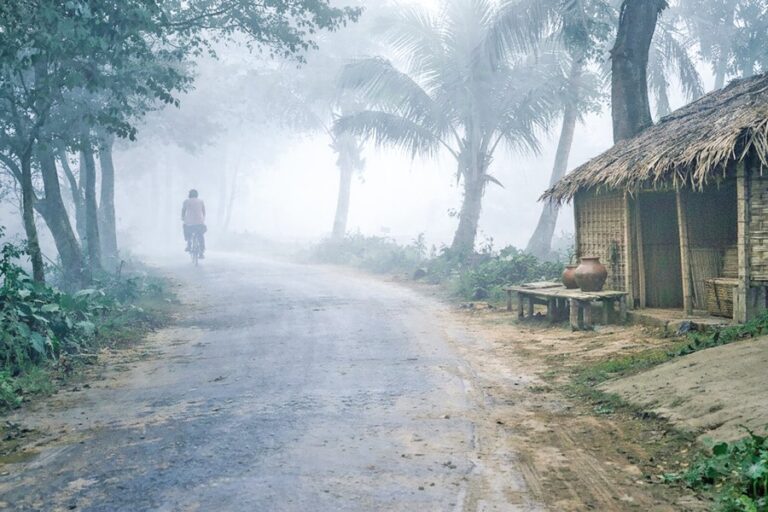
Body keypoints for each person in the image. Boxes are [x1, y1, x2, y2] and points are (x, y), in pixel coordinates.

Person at [182, 189, 206, 258]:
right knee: (200, 235)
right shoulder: (201, 201)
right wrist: (203, 219)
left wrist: (183, 218)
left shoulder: (186, 201)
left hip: (189, 224)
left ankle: (189, 244)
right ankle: (201, 251)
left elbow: (183, 211)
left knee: (186, 229)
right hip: (199, 223)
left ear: (189, 194)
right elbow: (203, 211)